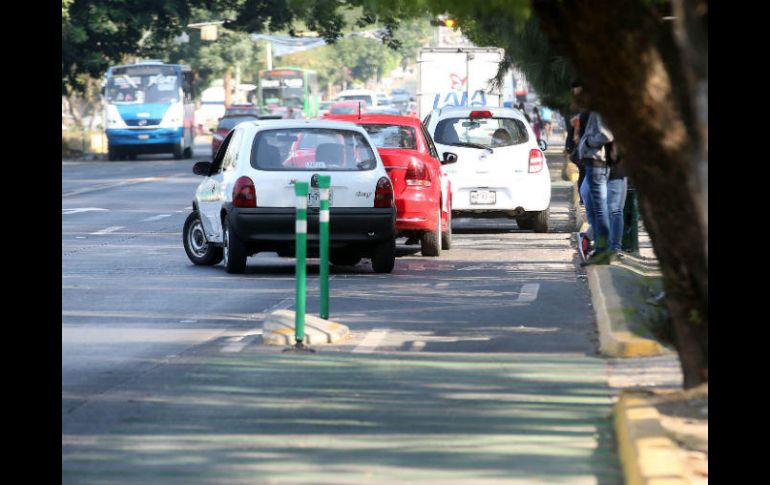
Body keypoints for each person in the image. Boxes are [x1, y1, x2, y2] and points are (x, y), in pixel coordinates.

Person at [578, 110, 615, 266]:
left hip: (597, 163)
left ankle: (602, 249)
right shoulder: (594, 108)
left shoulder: (599, 108)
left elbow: (606, 135)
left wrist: (588, 143)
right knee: (595, 205)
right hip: (594, 164)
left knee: (601, 210)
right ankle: (597, 244)